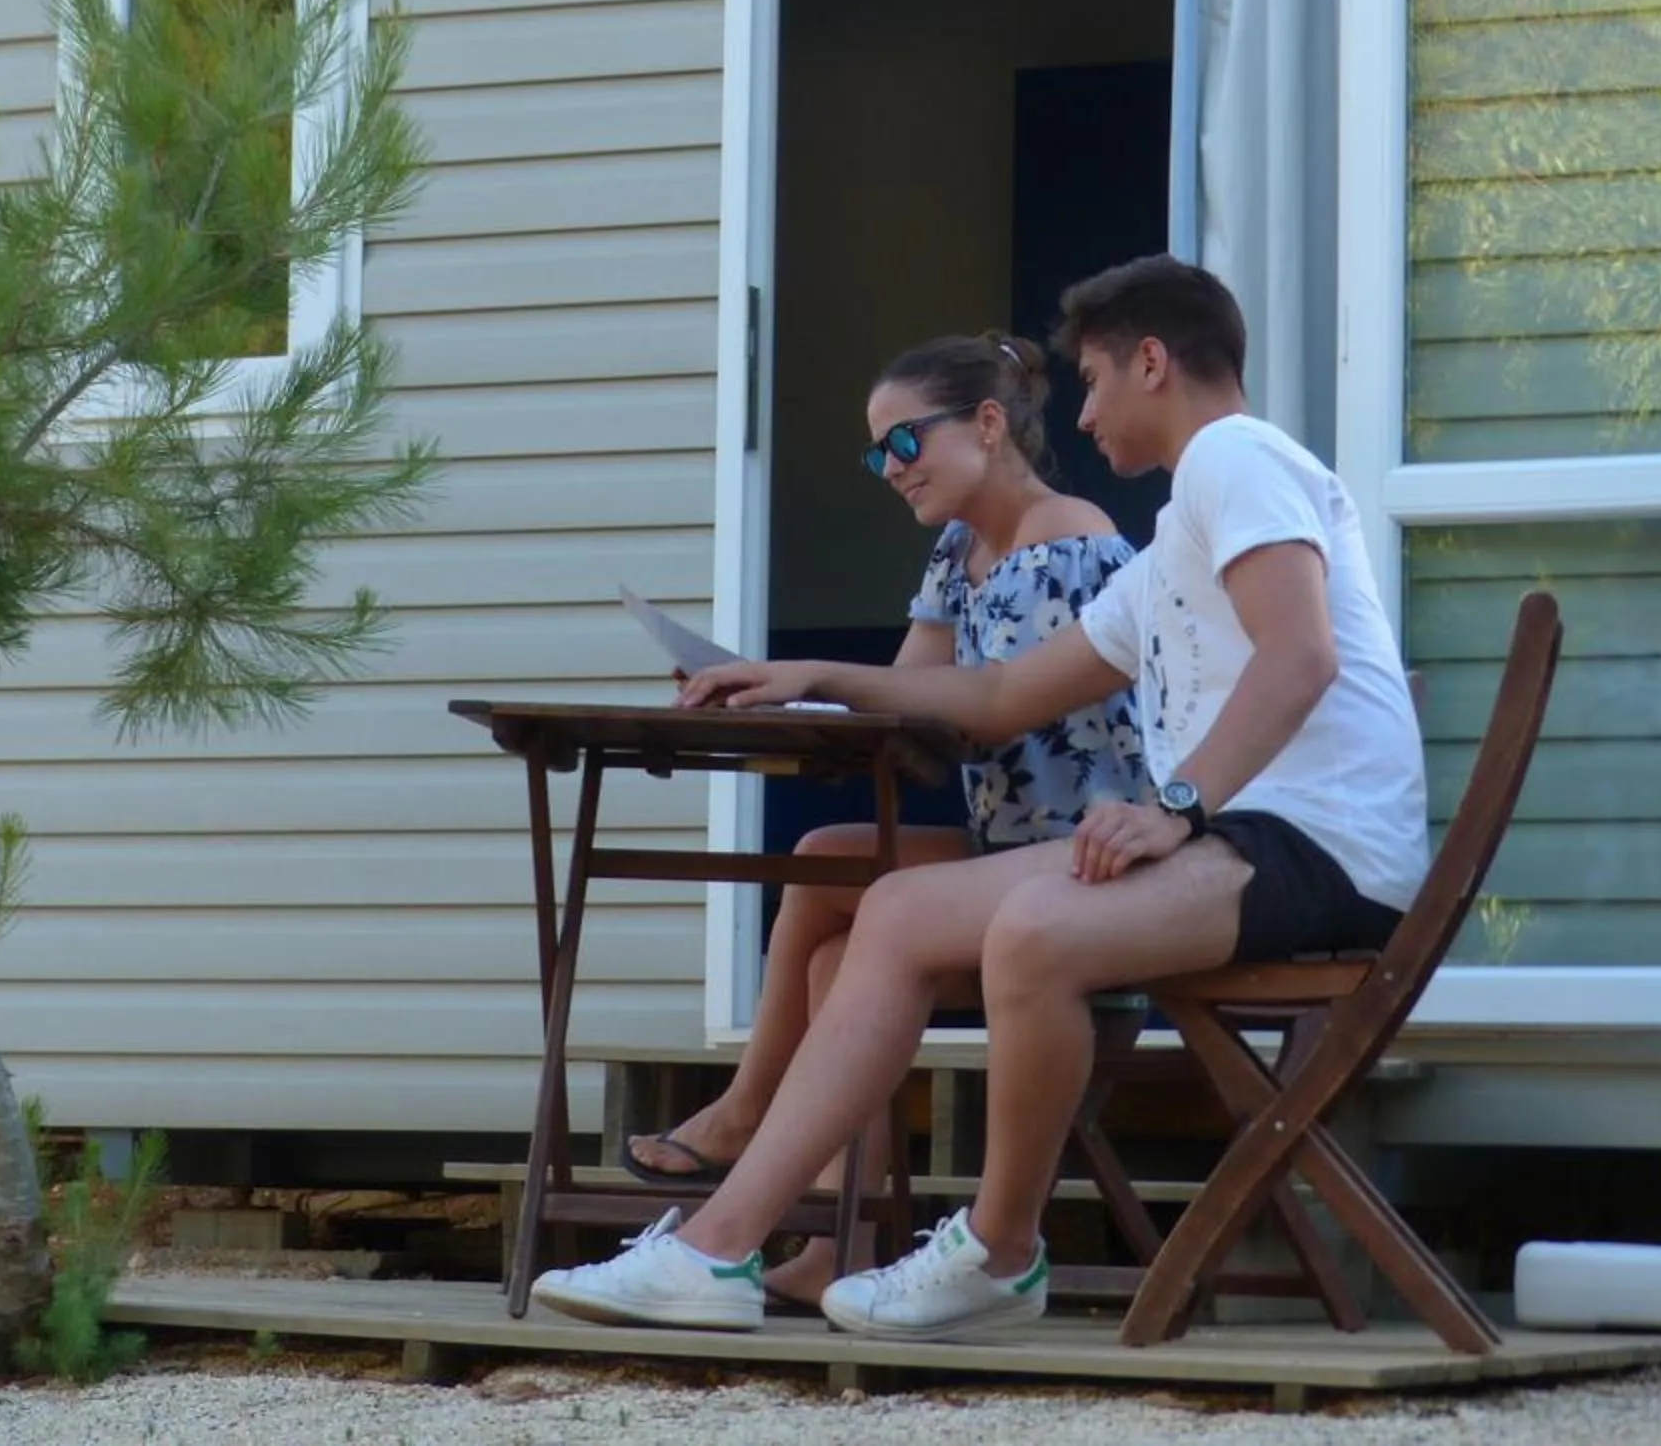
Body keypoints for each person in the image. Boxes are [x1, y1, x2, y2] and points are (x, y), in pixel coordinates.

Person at [530, 256, 1426, 1340]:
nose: (1082, 414)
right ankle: (711, 1253)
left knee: (1035, 930)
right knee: (897, 910)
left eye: (1093, 381)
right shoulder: (1167, 552)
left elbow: (1301, 654)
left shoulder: (1238, 457)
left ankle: (1000, 1254)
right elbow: (1000, 697)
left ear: (1152, 362)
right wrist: (811, 675)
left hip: (1317, 854)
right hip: (1237, 845)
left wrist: (1177, 807)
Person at [621, 330, 1147, 1307]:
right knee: (826, 871)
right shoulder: (959, 550)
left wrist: (817, 675)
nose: (891, 469)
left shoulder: (1067, 541)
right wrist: (769, 702)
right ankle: (838, 1237)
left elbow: (992, 708)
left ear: (986, 425)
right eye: (877, 454)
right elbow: (909, 716)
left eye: (905, 442)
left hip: (1093, 861)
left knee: (844, 899)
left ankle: (747, 1115)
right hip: (1007, 847)